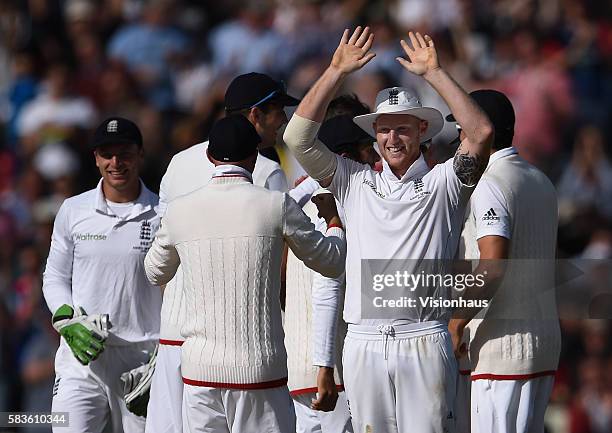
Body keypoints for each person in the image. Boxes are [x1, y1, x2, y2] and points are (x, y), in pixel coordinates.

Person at [283, 27, 493, 433]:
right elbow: (297, 136)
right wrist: (335, 71)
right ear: (373, 135)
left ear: (421, 132)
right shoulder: (353, 180)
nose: (392, 138)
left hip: (424, 338)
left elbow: (481, 133)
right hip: (363, 342)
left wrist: (434, 73)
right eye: (383, 129)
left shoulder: (445, 183)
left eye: (402, 128)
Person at [143, 114, 346, 432]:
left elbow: (154, 272)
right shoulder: (276, 205)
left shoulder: (180, 210)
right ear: (254, 157)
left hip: (199, 374)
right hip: (260, 374)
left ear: (210, 157)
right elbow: (331, 261)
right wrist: (334, 223)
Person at [142, 71, 297, 433]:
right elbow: (280, 269)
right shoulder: (268, 172)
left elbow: (160, 256)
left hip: (177, 338)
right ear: (255, 115)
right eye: (277, 112)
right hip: (237, 352)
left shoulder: (179, 162)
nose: (283, 121)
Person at [449, 89, 561, 433]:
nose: (458, 140)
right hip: (542, 346)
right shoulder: (540, 179)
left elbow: (493, 264)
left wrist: (456, 321)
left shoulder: (488, 184)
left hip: (501, 349)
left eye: (461, 129)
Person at [42, 117, 162, 433]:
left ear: (140, 154)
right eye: (106, 154)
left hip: (142, 362)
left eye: (124, 153)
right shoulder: (73, 210)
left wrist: (167, 353)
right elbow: (54, 276)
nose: (115, 163)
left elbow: (179, 288)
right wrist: (66, 318)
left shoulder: (163, 212)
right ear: (95, 158)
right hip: (81, 360)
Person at [286, 113, 378, 433]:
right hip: (330, 374)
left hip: (300, 369)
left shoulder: (293, 202)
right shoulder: (337, 204)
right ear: (345, 157)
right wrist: (324, 368)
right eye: (368, 149)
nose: (375, 158)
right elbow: (327, 288)